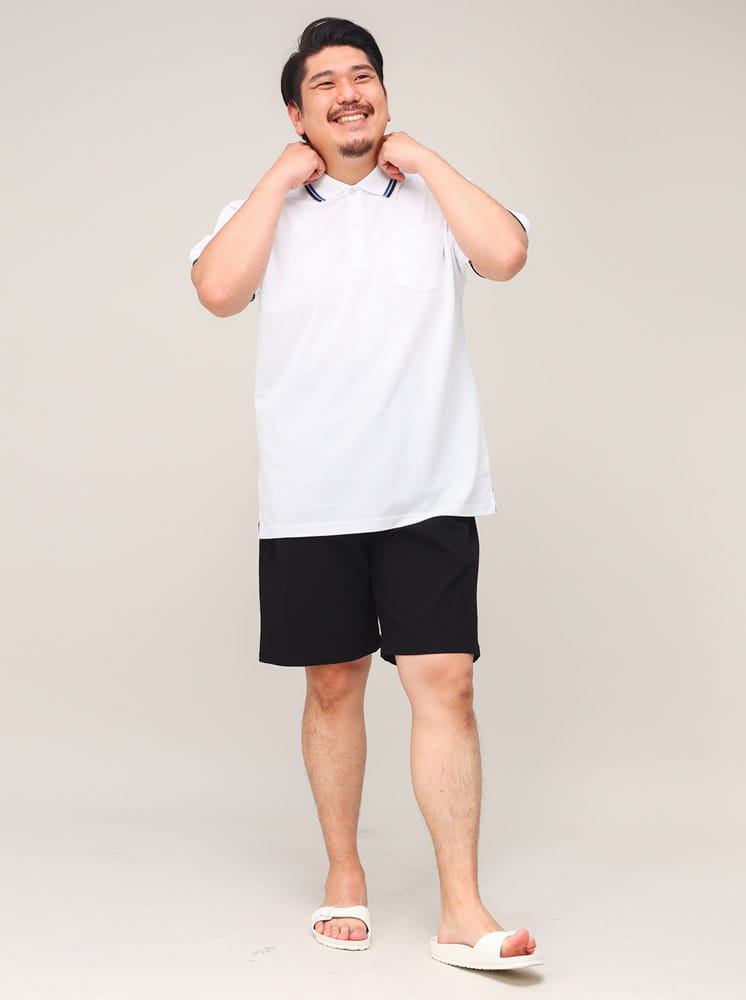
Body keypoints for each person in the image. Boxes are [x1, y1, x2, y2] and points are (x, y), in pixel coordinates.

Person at [189, 17, 540, 972]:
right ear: (296, 111)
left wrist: (424, 160)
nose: (349, 93)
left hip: (430, 487)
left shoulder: (432, 198)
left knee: (448, 684)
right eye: (325, 83)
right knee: (334, 683)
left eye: (363, 76)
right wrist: (276, 180)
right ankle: (345, 873)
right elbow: (216, 291)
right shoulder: (263, 208)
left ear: (383, 93)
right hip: (312, 494)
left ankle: (461, 909)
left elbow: (507, 254)